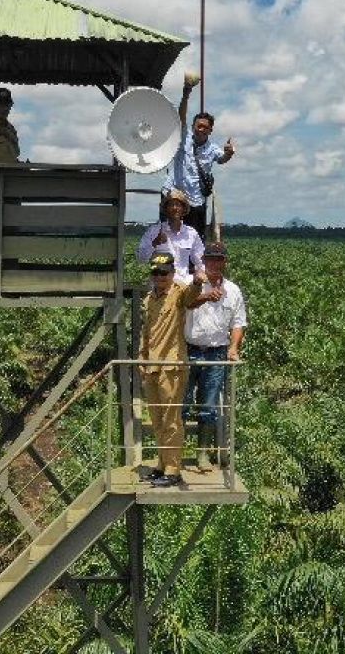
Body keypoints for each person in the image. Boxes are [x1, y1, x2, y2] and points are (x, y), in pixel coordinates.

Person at [140, 251, 205, 488]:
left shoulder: (178, 293)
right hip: (150, 366)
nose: (160, 277)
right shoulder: (149, 298)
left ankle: (173, 469)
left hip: (171, 365)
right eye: (156, 273)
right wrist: (141, 359)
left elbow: (191, 296)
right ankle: (161, 464)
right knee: (157, 420)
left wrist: (198, 281)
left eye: (164, 272)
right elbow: (146, 333)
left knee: (171, 420)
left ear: (172, 272)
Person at [184, 240, 247, 471]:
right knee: (183, 403)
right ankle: (173, 454)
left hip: (217, 353)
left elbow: (239, 323)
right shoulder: (192, 285)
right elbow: (186, 304)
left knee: (209, 404)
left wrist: (233, 348)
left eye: (219, 259)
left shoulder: (233, 290)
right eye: (210, 259)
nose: (214, 263)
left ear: (224, 262)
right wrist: (206, 296)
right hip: (189, 350)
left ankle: (202, 454)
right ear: (204, 261)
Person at [162, 72, 235, 238]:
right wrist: (186, 94)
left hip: (196, 201)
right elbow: (181, 117)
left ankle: (194, 264)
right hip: (176, 196)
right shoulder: (184, 137)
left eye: (204, 127)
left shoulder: (212, 148)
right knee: (169, 238)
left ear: (210, 130)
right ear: (193, 126)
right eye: (198, 125)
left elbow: (222, 159)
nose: (200, 129)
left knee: (194, 239)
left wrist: (229, 153)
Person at [137, 188, 204, 283]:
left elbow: (200, 260)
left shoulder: (191, 233)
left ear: (183, 209)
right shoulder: (154, 231)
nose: (174, 208)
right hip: (160, 286)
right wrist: (155, 243)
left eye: (178, 204)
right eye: (171, 205)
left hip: (183, 284)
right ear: (166, 209)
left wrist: (200, 272)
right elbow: (141, 258)